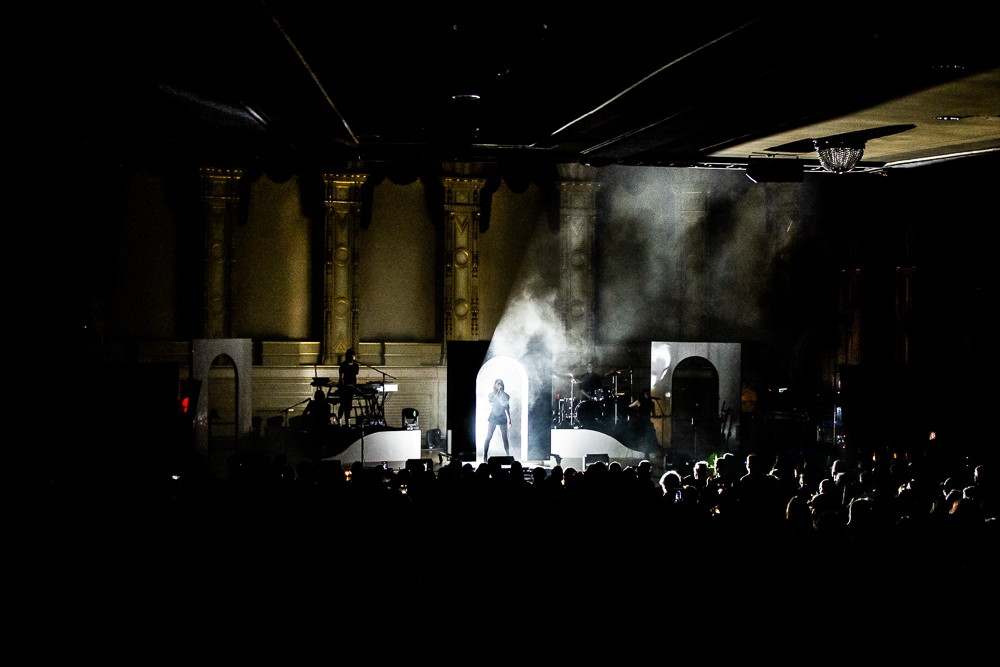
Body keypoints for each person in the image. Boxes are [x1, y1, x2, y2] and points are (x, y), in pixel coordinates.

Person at [484, 378, 511, 461]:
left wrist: (509, 419)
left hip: (502, 416)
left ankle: (507, 454)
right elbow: (491, 401)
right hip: (494, 416)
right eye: (498, 383)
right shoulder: (491, 395)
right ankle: (485, 454)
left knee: (504, 437)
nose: (500, 385)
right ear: (495, 385)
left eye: (501, 383)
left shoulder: (506, 395)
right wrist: (498, 392)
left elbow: (507, 407)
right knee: (489, 436)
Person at [338, 348, 360, 425]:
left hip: (351, 388)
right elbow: (341, 377)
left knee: (348, 405)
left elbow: (356, 377)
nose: (353, 358)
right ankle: (340, 420)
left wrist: (355, 386)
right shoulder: (343, 365)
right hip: (344, 388)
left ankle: (348, 422)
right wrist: (344, 386)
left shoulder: (356, 366)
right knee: (343, 404)